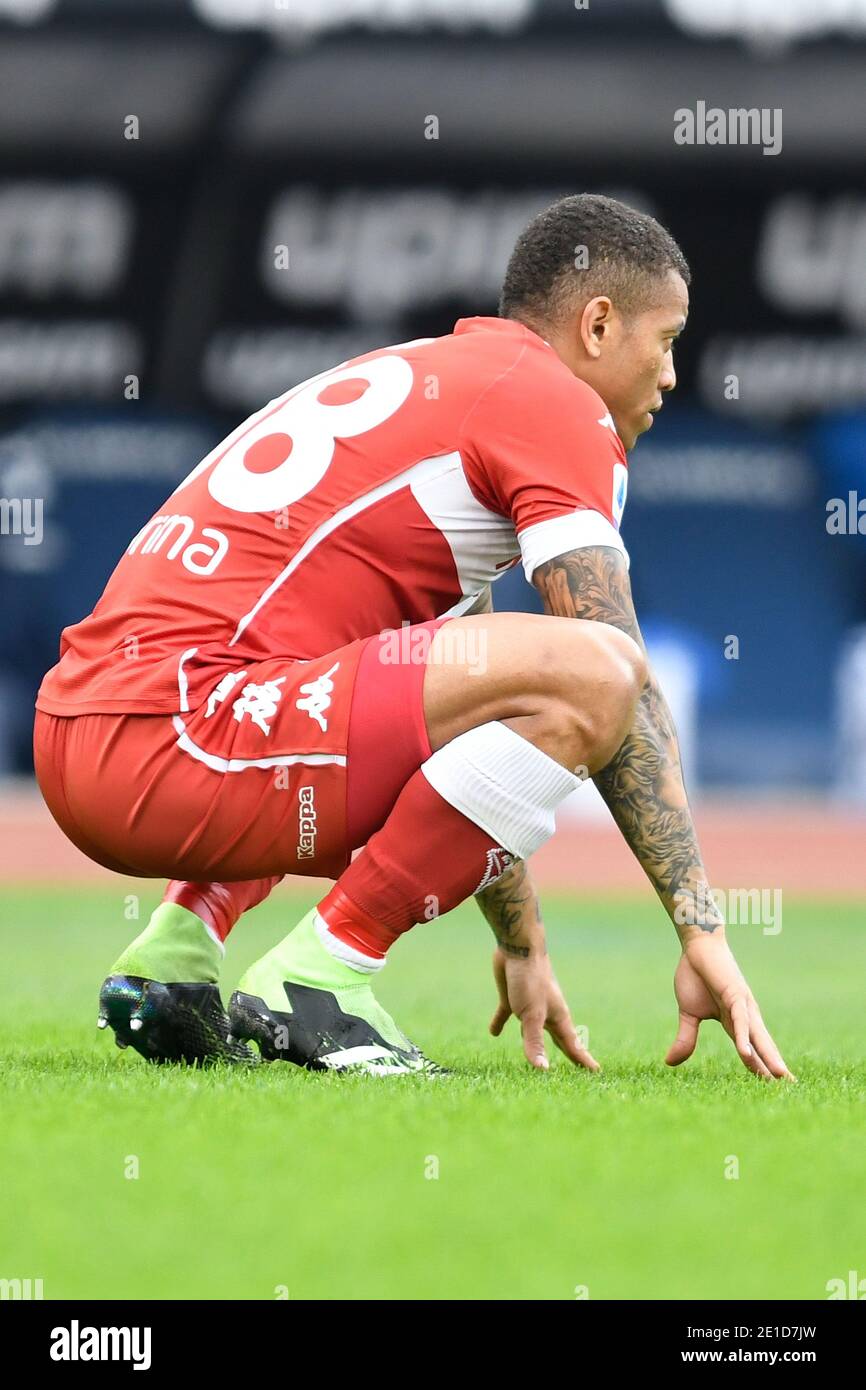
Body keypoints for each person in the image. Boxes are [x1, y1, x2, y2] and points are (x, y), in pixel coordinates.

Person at [33, 194, 794, 1081]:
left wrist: (523, 939)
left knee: (451, 677)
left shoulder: (442, 378)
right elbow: (612, 679)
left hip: (91, 738)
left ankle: (173, 956)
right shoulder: (555, 406)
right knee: (600, 670)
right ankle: (320, 976)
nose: (669, 376)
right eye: (664, 342)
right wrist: (701, 925)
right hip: (187, 737)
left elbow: (455, 721)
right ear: (597, 325)